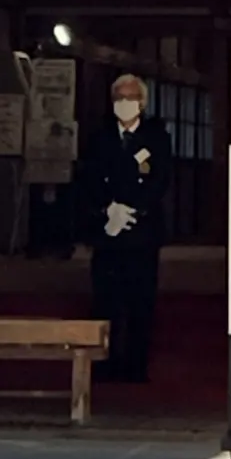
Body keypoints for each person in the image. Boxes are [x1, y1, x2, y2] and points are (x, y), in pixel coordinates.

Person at [78, 69, 170, 381]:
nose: (125, 103)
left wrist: (136, 209)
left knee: (141, 299)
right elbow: (86, 178)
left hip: (143, 231)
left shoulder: (157, 136)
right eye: (119, 98)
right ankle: (105, 361)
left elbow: (161, 180)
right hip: (107, 230)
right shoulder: (99, 136)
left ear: (142, 103)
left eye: (130, 98)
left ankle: (136, 364)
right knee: (106, 298)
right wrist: (107, 209)